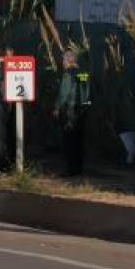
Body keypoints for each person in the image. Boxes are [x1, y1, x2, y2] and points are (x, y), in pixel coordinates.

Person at [53, 49, 92, 177]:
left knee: (69, 141)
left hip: (70, 110)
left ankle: (70, 169)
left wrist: (57, 107)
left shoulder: (68, 74)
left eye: (63, 60)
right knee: (79, 141)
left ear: (69, 60)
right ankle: (78, 168)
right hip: (83, 111)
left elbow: (64, 93)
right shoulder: (83, 73)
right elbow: (86, 92)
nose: (62, 63)